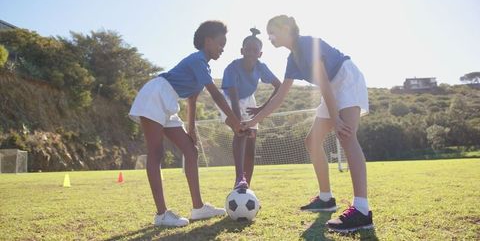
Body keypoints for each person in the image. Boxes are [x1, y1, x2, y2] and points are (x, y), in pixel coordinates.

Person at [243, 15, 373, 233]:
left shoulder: (306, 44)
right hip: (331, 87)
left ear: (286, 28)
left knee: (347, 135)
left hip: (345, 78)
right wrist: (253, 121)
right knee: (312, 141)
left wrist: (337, 119)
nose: (270, 37)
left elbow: (322, 81)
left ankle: (362, 209)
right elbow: (280, 97)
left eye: (272, 32)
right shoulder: (292, 59)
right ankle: (326, 198)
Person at [129, 20, 246, 227]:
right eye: (220, 44)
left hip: (169, 102)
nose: (222, 49)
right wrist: (236, 123)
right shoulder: (197, 60)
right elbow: (216, 95)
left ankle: (198, 208)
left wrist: (191, 129)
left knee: (191, 151)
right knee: (156, 153)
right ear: (208, 41)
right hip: (155, 95)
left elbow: (192, 99)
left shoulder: (203, 67)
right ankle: (161, 214)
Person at [219, 28, 281, 189]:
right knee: (240, 132)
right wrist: (237, 121)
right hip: (229, 99)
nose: (251, 53)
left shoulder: (261, 67)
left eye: (255, 50)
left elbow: (279, 86)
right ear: (242, 51)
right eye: (248, 49)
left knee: (251, 144)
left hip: (249, 99)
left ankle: (246, 189)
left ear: (260, 54)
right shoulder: (232, 68)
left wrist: (262, 108)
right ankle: (239, 178)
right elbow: (233, 95)